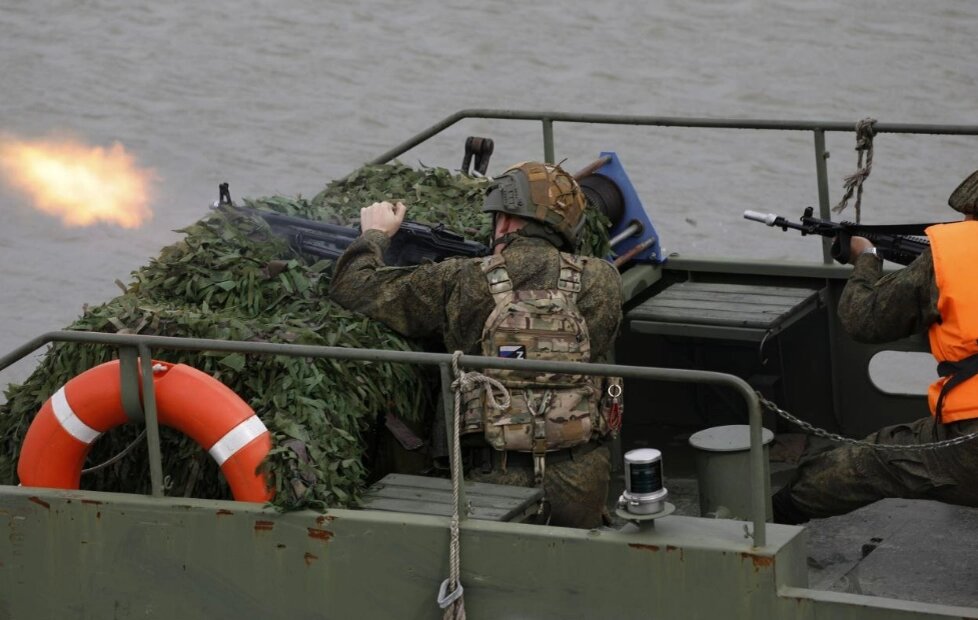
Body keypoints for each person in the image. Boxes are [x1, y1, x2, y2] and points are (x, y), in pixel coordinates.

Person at [329, 161, 624, 528]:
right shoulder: (604, 281)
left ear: (504, 219)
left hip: (491, 484)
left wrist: (374, 234)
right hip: (582, 481)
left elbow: (353, 287)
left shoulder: (462, 280)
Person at [773, 169, 978, 525]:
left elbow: (862, 319)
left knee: (868, 464)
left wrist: (866, 257)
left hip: (970, 443)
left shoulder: (954, 252)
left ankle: (770, 517)